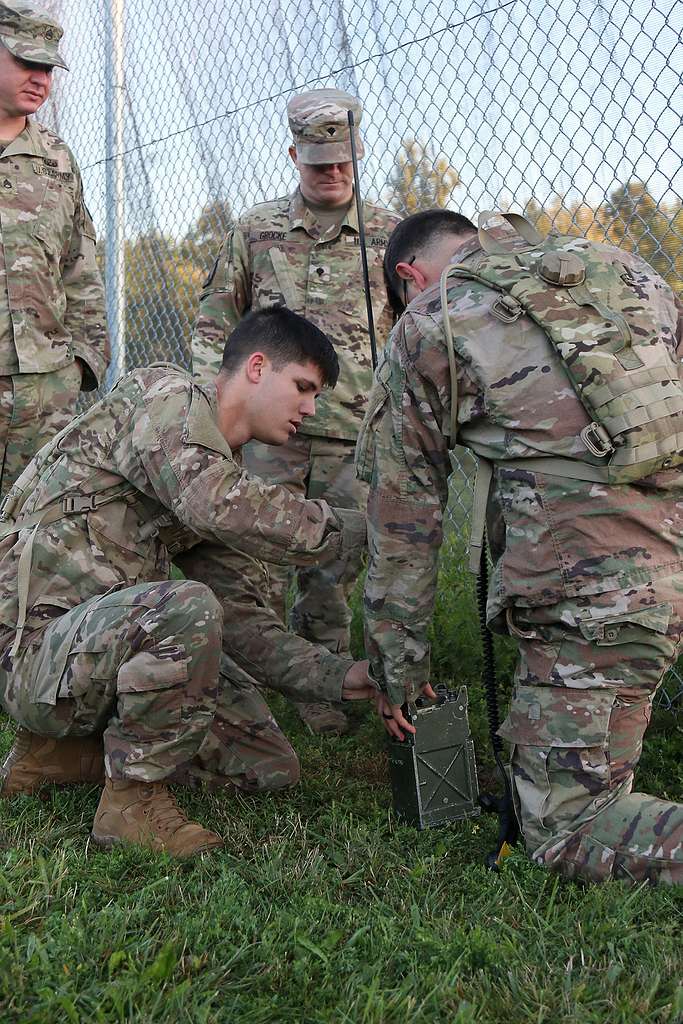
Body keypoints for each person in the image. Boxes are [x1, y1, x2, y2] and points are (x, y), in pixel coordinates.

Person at [358, 207, 683, 884]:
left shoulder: (431, 321)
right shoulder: (619, 270)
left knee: (568, 830)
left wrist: (399, 666)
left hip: (598, 603)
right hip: (663, 569)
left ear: (410, 278)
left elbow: (403, 524)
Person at [0, 307, 376, 858]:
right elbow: (215, 506)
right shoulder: (165, 397)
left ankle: (66, 754)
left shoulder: (219, 473)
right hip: (31, 656)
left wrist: (341, 677)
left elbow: (245, 625)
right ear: (255, 367)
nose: (310, 409)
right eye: (302, 387)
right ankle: (132, 802)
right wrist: (359, 531)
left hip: (91, 655)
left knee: (268, 765)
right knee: (186, 607)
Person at [192, 88, 400, 735]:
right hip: (267, 438)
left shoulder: (390, 239)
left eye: (342, 161)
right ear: (293, 156)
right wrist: (210, 420)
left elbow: (414, 335)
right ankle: (243, 688)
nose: (332, 174)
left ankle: (326, 691)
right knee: (250, 556)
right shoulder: (256, 232)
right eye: (317, 164)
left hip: (353, 434)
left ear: (358, 152)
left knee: (333, 564)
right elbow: (213, 326)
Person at [0, 3, 108, 499]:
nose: (41, 78)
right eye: (27, 63)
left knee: (35, 533)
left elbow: (80, 267)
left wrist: (83, 362)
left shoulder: (58, 159)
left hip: (46, 392)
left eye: (49, 67)